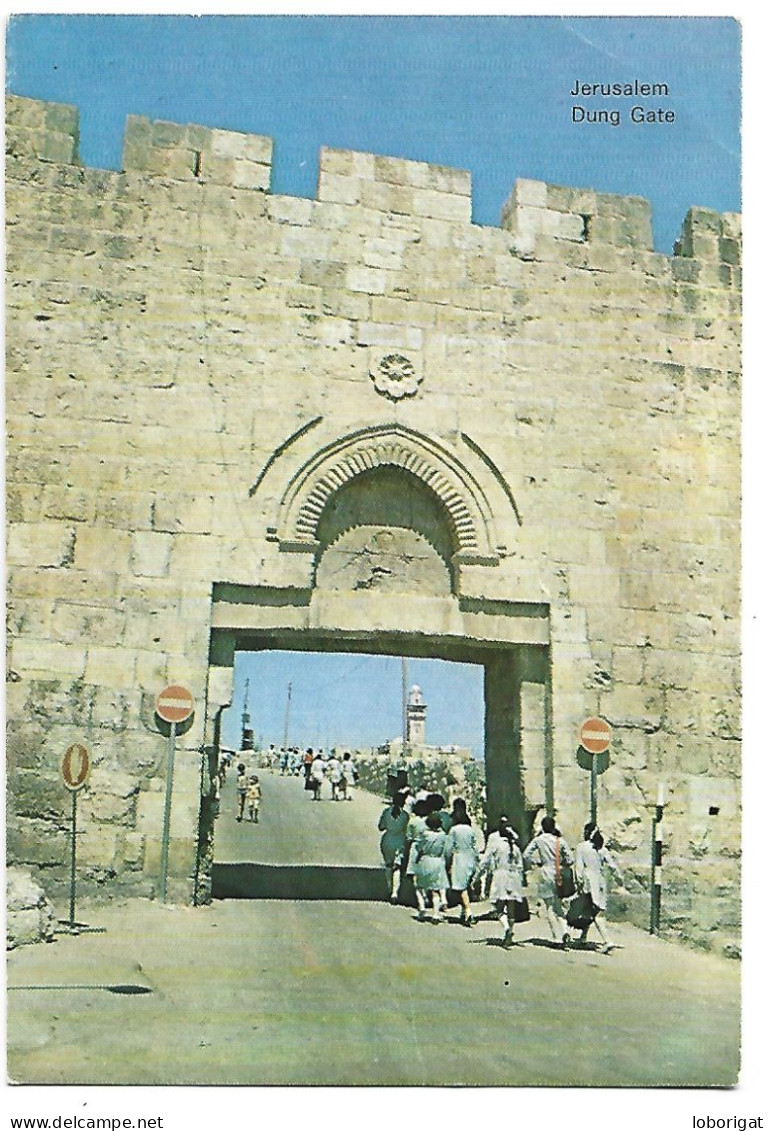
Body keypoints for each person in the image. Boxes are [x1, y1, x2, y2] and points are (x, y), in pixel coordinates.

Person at [474, 816, 526, 947]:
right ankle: (510, 931)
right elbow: (520, 866)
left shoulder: (496, 845)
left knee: (498, 906)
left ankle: (507, 928)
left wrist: (476, 876)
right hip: (514, 877)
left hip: (500, 877)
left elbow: (485, 861)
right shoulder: (516, 848)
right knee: (511, 906)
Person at [573, 825, 625, 953]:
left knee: (595, 913)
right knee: (589, 910)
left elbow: (579, 868)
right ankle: (583, 938)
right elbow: (612, 866)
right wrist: (620, 879)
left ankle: (607, 941)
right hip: (601, 881)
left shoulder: (582, 847)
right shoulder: (602, 849)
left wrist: (578, 883)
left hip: (589, 882)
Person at [523, 815, 574, 947]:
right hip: (558, 873)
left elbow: (526, 854)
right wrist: (562, 863)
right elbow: (570, 859)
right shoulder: (559, 841)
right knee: (558, 905)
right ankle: (565, 931)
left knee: (549, 907)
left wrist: (537, 862)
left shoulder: (538, 840)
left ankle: (556, 937)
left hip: (545, 873)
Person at [445, 799, 479, 926]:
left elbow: (448, 849)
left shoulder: (453, 830)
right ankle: (464, 911)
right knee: (466, 884)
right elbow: (475, 846)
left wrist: (447, 862)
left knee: (461, 887)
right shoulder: (470, 830)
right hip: (470, 857)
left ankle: (468, 911)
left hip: (460, 859)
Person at [413, 813, 448, 923]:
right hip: (437, 861)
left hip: (425, 860)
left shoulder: (424, 834)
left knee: (419, 886)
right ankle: (436, 914)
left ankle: (422, 906)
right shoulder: (443, 835)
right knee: (435, 889)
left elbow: (418, 847)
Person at [378, 791, 410, 903]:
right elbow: (407, 831)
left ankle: (389, 888)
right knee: (397, 867)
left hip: (387, 840)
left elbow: (381, 827)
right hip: (399, 841)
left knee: (388, 865)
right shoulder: (405, 815)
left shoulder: (386, 812)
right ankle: (394, 893)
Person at [405, 797, 431, 916]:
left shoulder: (413, 822)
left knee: (415, 875)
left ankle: (421, 903)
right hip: (427, 847)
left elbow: (408, 838)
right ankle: (425, 894)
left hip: (415, 848)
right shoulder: (429, 821)